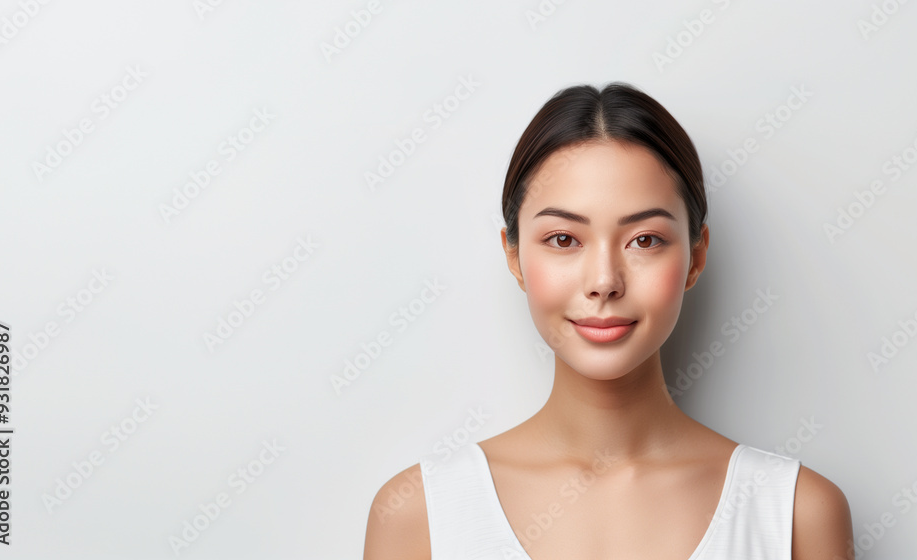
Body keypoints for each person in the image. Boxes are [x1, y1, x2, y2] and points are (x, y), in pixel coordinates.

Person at [363, 82, 853, 559]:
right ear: (513, 256)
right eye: (563, 239)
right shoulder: (420, 515)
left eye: (644, 240)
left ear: (696, 256)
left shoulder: (795, 514)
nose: (604, 281)